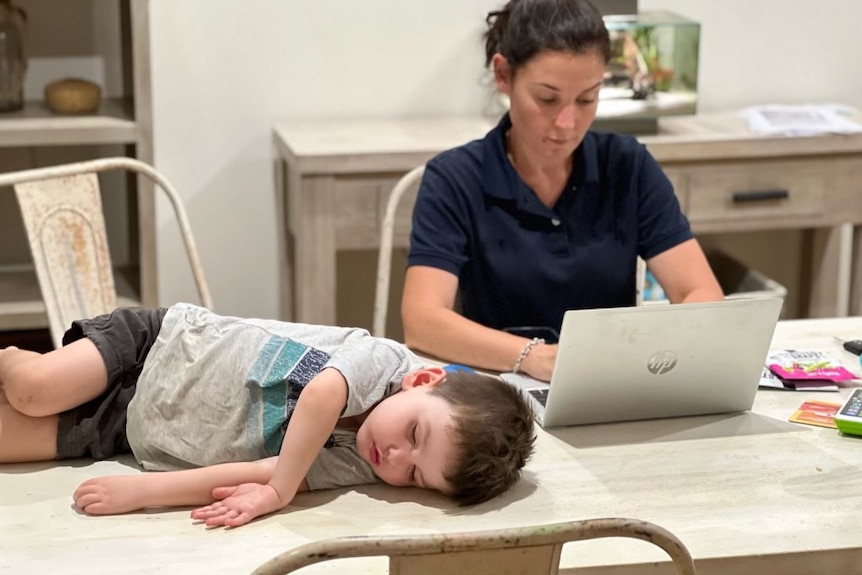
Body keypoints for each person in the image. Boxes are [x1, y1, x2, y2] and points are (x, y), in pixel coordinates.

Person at [401, 0, 724, 383]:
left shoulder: (628, 167)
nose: (567, 123)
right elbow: (423, 321)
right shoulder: (455, 179)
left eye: (587, 99)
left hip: (608, 384)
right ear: (504, 75)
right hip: (496, 394)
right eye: (547, 99)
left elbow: (700, 293)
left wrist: (649, 355)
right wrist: (532, 357)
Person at [0, 303, 535, 528]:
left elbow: (259, 475)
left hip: (128, 427)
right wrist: (280, 491)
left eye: (416, 474)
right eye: (415, 432)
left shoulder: (364, 466)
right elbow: (323, 395)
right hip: (156, 347)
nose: (395, 456)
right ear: (424, 382)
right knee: (31, 388)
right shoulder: (386, 363)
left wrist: (142, 495)